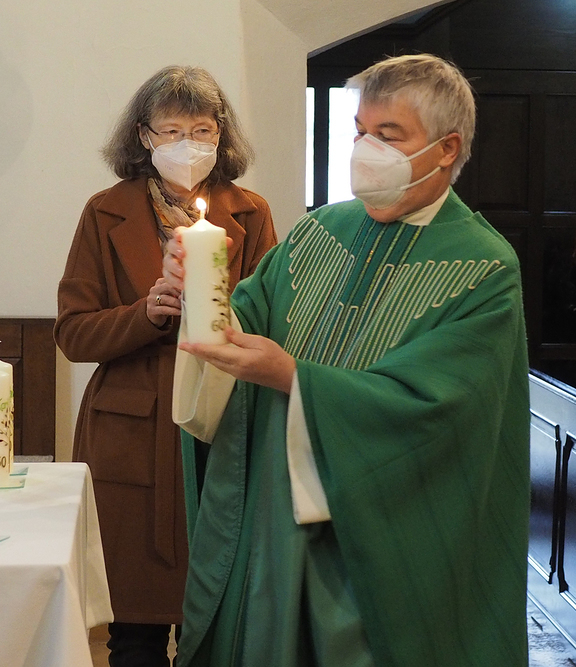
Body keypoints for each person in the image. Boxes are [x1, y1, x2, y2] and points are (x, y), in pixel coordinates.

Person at [164, 54, 529, 667]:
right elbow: (245, 317)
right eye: (361, 131)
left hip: (380, 548)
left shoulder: (485, 267)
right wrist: (200, 288)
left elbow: (441, 410)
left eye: (389, 135)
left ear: (447, 149)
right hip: (275, 519)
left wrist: (291, 377)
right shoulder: (319, 231)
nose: (366, 150)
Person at [54, 65, 277, 666]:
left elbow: (272, 319)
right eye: (172, 131)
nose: (188, 144)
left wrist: (218, 307)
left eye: (202, 131)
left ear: (221, 135)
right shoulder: (105, 211)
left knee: (219, 621)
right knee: (134, 630)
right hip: (129, 431)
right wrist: (145, 313)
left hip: (220, 421)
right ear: (144, 136)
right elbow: (73, 333)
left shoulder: (250, 212)